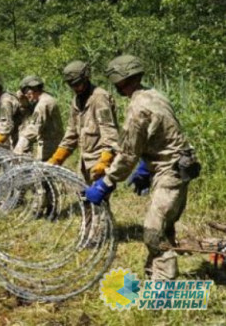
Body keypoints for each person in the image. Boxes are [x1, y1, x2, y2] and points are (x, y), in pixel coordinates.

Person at [84, 55, 201, 280]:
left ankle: (163, 286)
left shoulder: (137, 108)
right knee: (164, 226)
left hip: (171, 170)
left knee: (152, 230)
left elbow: (128, 154)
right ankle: (153, 273)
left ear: (120, 80)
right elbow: (165, 134)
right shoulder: (155, 95)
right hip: (176, 165)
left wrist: (106, 183)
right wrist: (146, 169)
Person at [47, 60, 119, 183]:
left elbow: (109, 132)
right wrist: (57, 158)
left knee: (98, 199)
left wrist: (105, 160)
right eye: (72, 85)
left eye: (78, 84)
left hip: (99, 159)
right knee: (83, 197)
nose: (76, 88)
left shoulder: (99, 97)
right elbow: (71, 133)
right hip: (84, 162)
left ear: (86, 78)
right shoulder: (76, 100)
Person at [13, 75, 64, 160]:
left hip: (49, 145)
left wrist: (19, 146)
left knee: (44, 171)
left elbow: (33, 128)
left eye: (26, 91)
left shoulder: (42, 104)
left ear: (34, 89)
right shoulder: (47, 98)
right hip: (53, 143)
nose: (26, 95)